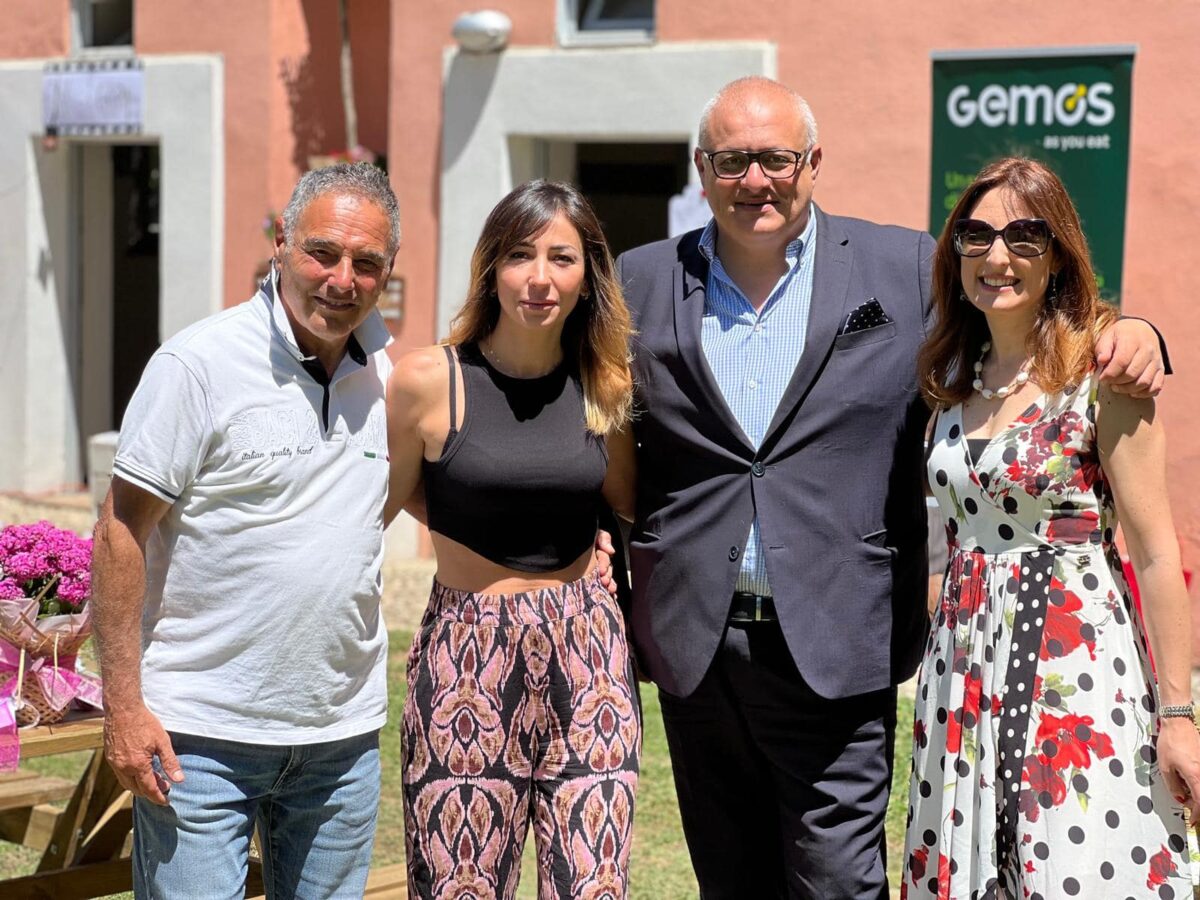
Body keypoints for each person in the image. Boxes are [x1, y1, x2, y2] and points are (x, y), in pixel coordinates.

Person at [614, 76, 1170, 899]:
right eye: (733, 161)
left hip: (842, 637)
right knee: (729, 878)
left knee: (839, 881)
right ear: (703, 168)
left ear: (813, 163)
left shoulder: (903, 266)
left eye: (775, 158)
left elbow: (1015, 315)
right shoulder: (641, 279)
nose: (754, 180)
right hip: (699, 641)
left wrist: (1134, 329)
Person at [91, 162, 398, 899]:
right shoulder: (198, 365)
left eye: (367, 263)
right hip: (200, 737)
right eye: (323, 252)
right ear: (281, 245)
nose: (343, 278)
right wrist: (125, 708)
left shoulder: (391, 376)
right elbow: (119, 532)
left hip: (340, 740)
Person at [903, 157, 1200, 898]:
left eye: (1025, 236)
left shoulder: (1104, 375)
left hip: (1076, 666)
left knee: (1076, 866)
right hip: (963, 668)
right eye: (977, 236)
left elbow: (1159, 553)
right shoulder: (950, 380)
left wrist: (1178, 715)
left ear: (1058, 253)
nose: (998, 256)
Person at [385, 180, 640, 899]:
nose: (539, 278)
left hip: (589, 653)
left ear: (587, 274)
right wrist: (468, 528)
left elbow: (623, 501)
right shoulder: (430, 381)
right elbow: (390, 493)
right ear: (492, 267)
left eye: (561, 258)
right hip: (465, 656)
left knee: (594, 886)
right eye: (520, 255)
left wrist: (599, 546)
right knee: (458, 886)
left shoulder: (606, 384)